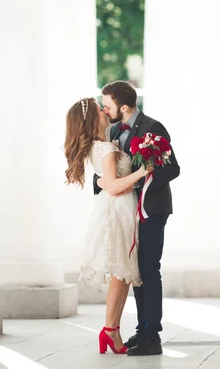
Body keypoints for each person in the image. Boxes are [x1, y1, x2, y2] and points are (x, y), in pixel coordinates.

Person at [94, 81, 180, 356]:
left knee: (148, 270)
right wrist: (102, 181)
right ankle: (142, 330)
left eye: (107, 105)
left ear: (124, 106)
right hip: (126, 211)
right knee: (135, 270)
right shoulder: (115, 130)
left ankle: (152, 337)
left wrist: (144, 178)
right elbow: (110, 173)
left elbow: (173, 169)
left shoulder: (153, 128)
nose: (105, 111)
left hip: (151, 209)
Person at [64, 97, 153, 354]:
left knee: (123, 272)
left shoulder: (104, 144)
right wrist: (141, 172)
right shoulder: (106, 148)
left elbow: (106, 180)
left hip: (116, 208)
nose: (105, 111)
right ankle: (110, 329)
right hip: (118, 209)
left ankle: (112, 330)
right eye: (100, 109)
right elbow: (114, 186)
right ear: (93, 119)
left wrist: (104, 181)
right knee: (120, 272)